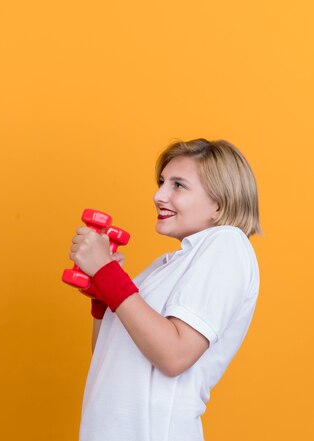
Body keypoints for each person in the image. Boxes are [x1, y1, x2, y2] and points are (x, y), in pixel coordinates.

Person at [68, 138, 260, 441]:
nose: (159, 195)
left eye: (178, 185)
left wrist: (107, 272)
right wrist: (102, 298)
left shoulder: (227, 244)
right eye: (161, 182)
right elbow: (110, 356)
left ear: (219, 203)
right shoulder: (163, 266)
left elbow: (174, 355)